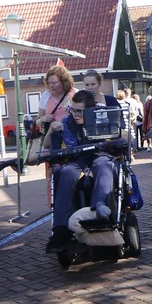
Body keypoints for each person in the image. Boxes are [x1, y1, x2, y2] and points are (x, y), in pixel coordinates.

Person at [43, 90, 121, 252]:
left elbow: (118, 139)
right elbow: (47, 146)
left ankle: (100, 205)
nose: (75, 114)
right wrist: (51, 129)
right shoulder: (66, 123)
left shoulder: (101, 118)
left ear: (90, 110)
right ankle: (61, 230)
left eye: (79, 111)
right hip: (77, 159)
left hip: (100, 155)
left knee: (104, 165)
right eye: (72, 110)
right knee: (65, 172)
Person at [33, 65, 75, 211]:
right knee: (54, 172)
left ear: (63, 81)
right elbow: (37, 121)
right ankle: (56, 205)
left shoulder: (73, 94)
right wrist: (44, 118)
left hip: (71, 140)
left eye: (55, 83)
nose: (51, 86)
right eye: (49, 83)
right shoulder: (46, 96)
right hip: (52, 139)